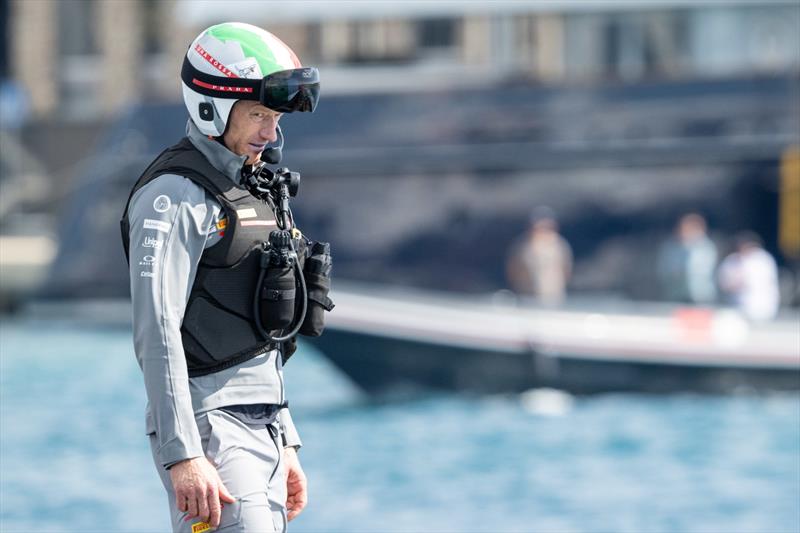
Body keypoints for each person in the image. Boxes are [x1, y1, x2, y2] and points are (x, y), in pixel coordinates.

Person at [120, 23, 328, 532]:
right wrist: (183, 455)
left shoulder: (250, 191)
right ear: (209, 105)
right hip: (210, 429)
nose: (270, 132)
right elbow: (158, 330)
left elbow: (260, 339)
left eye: (275, 117)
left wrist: (286, 439)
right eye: (259, 114)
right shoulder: (173, 196)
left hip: (265, 426)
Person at [506, 207, 572, 305]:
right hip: (527, 296)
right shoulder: (522, 246)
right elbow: (512, 269)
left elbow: (566, 269)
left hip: (554, 296)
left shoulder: (560, 245)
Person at [718, 231, 780, 321]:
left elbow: (758, 282)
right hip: (736, 308)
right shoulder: (732, 260)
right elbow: (723, 283)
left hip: (762, 308)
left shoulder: (763, 260)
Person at [656, 213, 718, 304]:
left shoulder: (706, 247)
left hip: (701, 295)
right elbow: (663, 269)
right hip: (676, 295)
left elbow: (702, 271)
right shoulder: (671, 248)